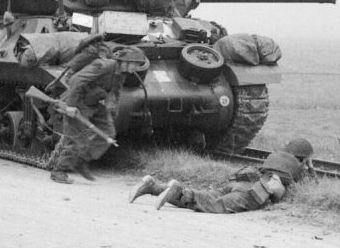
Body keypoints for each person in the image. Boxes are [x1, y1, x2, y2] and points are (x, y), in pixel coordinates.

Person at [128, 138, 318, 213]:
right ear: (303, 158)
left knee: (206, 196)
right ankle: (176, 190)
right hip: (252, 193)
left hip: (240, 183)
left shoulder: (274, 157)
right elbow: (312, 185)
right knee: (212, 206)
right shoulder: (298, 167)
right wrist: (310, 167)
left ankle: (153, 186)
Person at [48, 39, 145, 185]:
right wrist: (71, 106)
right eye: (135, 64)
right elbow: (76, 80)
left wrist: (112, 114)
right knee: (78, 139)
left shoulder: (121, 75)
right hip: (77, 101)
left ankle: (81, 161)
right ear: (126, 61)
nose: (136, 68)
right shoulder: (105, 65)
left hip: (92, 103)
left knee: (109, 133)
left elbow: (115, 94)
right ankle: (59, 170)